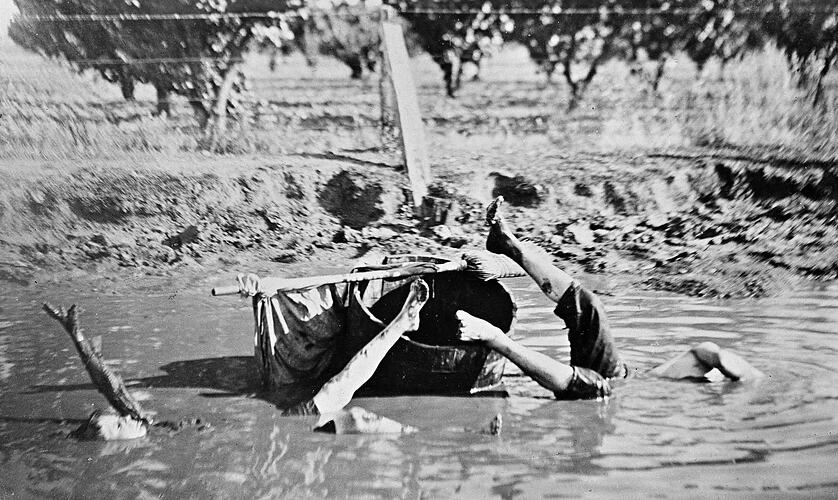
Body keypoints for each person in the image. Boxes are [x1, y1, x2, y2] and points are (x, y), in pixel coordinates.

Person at [456, 196, 764, 400]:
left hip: (612, 389)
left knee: (586, 386)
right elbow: (712, 353)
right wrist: (743, 380)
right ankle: (510, 247)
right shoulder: (705, 366)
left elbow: (714, 357)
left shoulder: (698, 387)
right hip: (621, 377)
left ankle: (495, 339)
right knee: (589, 306)